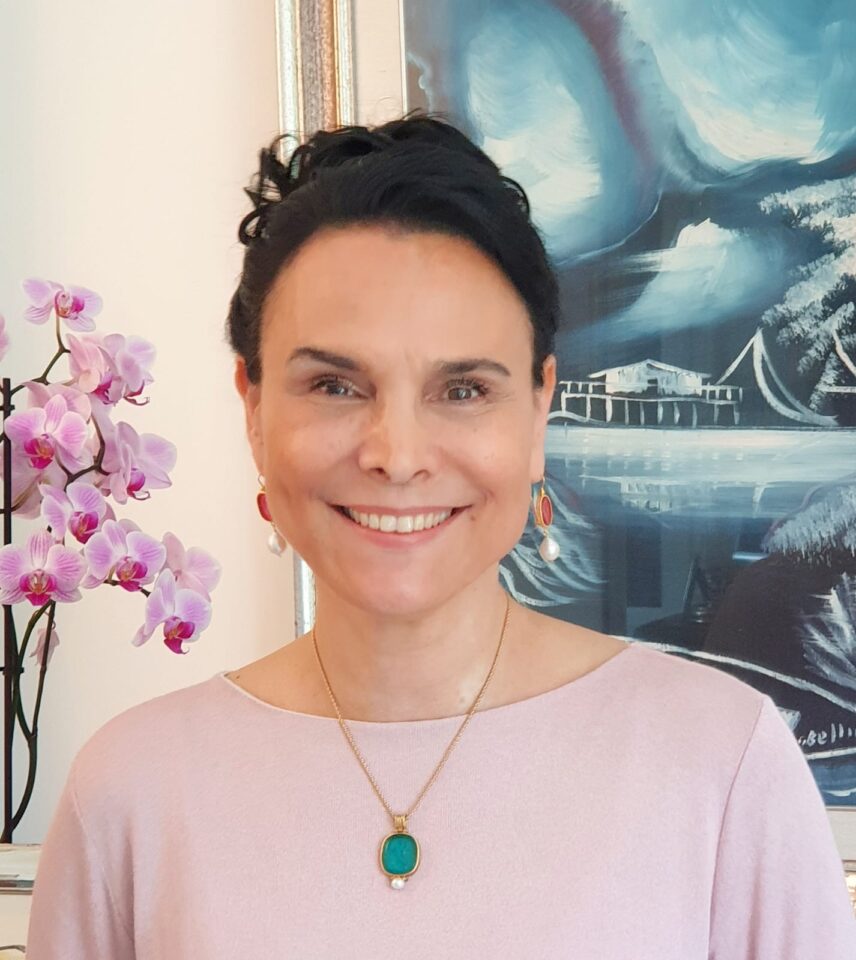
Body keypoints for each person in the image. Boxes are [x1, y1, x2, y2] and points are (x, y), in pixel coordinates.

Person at [27, 114, 855, 958]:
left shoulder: (724, 765)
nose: (397, 455)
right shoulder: (129, 795)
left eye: (462, 391)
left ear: (537, 408)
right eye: (335, 385)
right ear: (254, 407)